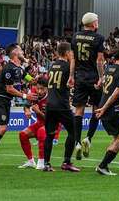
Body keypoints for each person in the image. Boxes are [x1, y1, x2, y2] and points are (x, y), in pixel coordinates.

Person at [0, 43, 37, 169]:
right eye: (20, 50)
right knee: (3, 128)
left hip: (6, 102)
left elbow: (30, 79)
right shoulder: (9, 68)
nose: (22, 52)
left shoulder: (19, 68)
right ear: (15, 53)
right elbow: (9, 89)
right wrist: (26, 96)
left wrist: (35, 76)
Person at [70, 12, 106, 161]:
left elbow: (73, 58)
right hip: (93, 78)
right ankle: (88, 138)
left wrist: (71, 76)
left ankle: (77, 142)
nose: (98, 23)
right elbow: (99, 61)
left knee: (79, 110)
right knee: (97, 109)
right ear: (92, 23)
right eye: (97, 21)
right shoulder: (98, 38)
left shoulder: (75, 36)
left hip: (79, 77)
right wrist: (102, 77)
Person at [41, 42, 80, 172]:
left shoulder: (52, 66)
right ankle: (66, 162)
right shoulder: (68, 66)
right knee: (73, 132)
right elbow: (71, 81)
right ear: (68, 53)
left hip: (50, 105)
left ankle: (46, 164)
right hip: (61, 105)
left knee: (50, 135)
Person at [94, 46, 119, 176]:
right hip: (110, 110)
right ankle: (102, 165)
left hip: (104, 107)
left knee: (117, 137)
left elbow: (104, 86)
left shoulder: (109, 68)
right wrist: (105, 108)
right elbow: (116, 93)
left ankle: (104, 165)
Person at [18, 77, 60, 169]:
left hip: (52, 125)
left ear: (47, 88)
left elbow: (51, 119)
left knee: (41, 131)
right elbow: (26, 105)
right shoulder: (34, 93)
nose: (39, 91)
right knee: (22, 134)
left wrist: (38, 112)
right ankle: (31, 161)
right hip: (40, 123)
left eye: (42, 89)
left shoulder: (52, 98)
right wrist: (27, 111)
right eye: (38, 88)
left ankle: (41, 163)